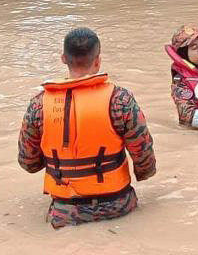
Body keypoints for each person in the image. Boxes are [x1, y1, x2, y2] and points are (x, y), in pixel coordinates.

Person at [18, 27, 156, 229]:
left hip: (65, 213)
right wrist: (144, 174)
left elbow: (27, 163)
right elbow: (143, 155)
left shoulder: (39, 105)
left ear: (63, 58)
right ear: (98, 60)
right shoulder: (120, 100)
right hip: (119, 206)